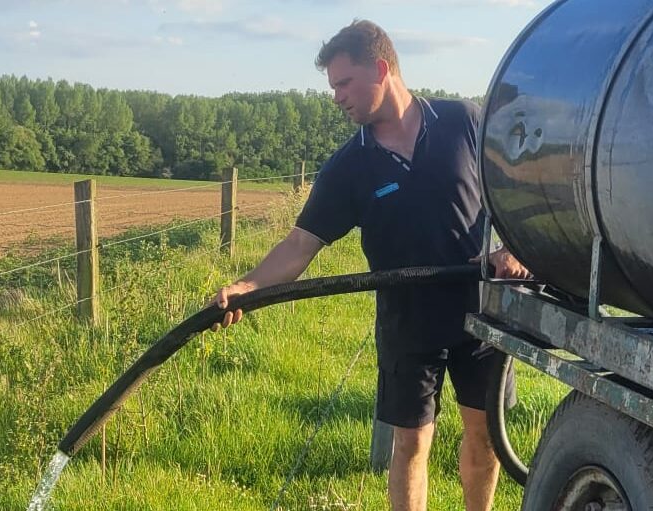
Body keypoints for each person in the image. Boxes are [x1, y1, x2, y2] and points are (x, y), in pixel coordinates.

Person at [211, 19, 529, 511]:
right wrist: (246, 286)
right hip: (407, 322)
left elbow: (516, 191)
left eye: (343, 83)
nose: (336, 96)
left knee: (484, 435)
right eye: (332, 86)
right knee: (410, 445)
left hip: (482, 310)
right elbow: (299, 245)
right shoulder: (349, 167)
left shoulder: (464, 121)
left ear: (381, 68)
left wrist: (511, 248)